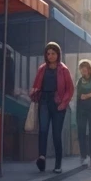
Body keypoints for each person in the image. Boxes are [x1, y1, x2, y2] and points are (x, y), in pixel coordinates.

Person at [29, 43, 73, 174]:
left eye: (53, 53)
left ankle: (58, 163)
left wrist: (63, 104)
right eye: (48, 53)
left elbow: (69, 90)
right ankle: (42, 157)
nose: (50, 56)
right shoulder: (42, 68)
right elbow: (36, 84)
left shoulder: (63, 69)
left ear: (58, 54)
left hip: (58, 103)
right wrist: (34, 93)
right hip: (44, 101)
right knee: (42, 130)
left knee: (56, 134)